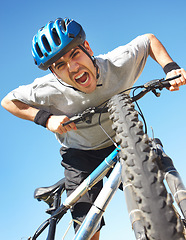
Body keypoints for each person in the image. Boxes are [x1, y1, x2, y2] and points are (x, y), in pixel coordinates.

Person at [1, 17, 186, 240]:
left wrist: (171, 68)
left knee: (155, 168)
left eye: (74, 54)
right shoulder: (47, 89)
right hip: (80, 155)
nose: (72, 67)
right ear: (54, 73)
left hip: (124, 139)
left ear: (87, 48)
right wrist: (45, 118)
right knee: (88, 228)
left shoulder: (116, 63)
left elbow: (148, 41)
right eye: (60, 65)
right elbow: (8, 101)